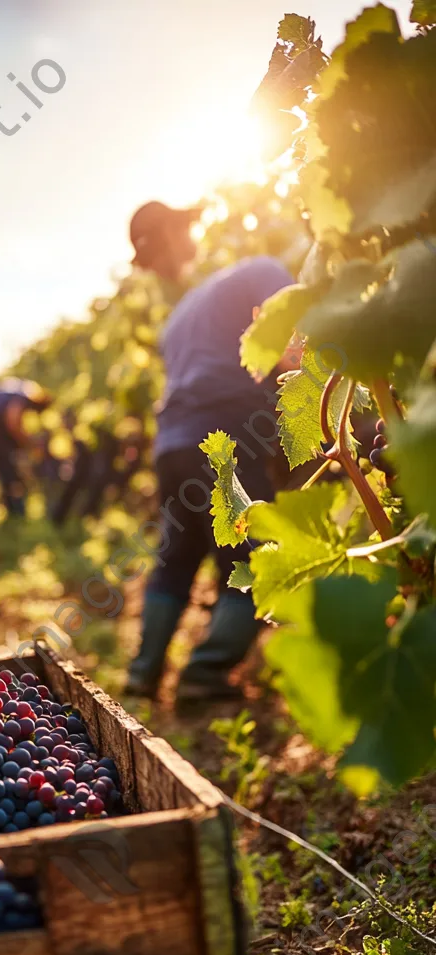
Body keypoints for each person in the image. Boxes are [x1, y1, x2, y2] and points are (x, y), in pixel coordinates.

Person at [124, 201, 294, 702]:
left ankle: (143, 672)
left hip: (171, 444)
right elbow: (293, 342)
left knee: (177, 556)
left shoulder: (181, 315)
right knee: (254, 559)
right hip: (223, 440)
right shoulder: (265, 272)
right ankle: (205, 672)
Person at [0, 378, 51, 516]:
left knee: (2, 464)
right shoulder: (24, 395)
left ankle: (11, 505)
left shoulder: (18, 388)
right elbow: (13, 422)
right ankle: (17, 509)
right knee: (8, 464)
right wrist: (27, 443)